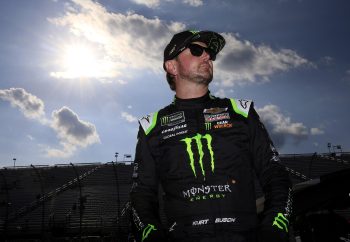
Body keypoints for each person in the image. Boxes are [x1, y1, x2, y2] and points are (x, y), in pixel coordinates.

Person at [130, 30, 292, 242]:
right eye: (197, 50)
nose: (207, 56)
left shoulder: (241, 112)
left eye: (210, 53)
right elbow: (141, 194)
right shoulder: (151, 126)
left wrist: (274, 228)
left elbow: (276, 175)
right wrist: (151, 235)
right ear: (172, 66)